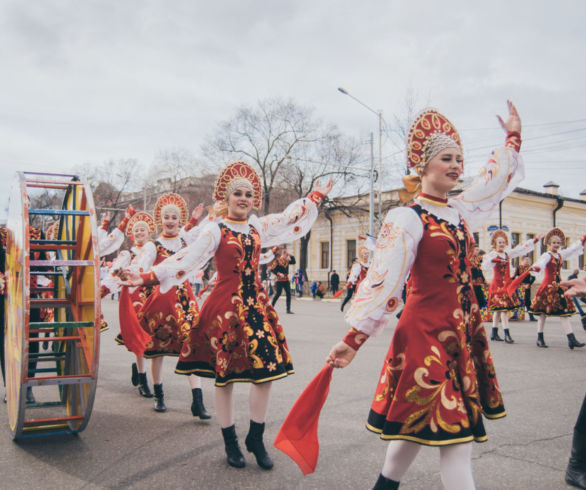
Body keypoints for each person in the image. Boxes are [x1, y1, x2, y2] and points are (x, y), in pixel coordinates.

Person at [326, 102, 524, 489]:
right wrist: (354, 339)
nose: (456, 165)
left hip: (461, 335)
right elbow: (385, 283)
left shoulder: (460, 211)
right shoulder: (407, 218)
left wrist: (512, 139)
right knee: (456, 439)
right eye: (446, 158)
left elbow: (493, 179)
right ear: (424, 166)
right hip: (424, 337)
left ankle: (383, 486)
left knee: (417, 426)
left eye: (459, 159)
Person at [125, 161, 332, 470]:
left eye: (249, 194)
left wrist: (314, 197)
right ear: (226, 197)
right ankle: (231, 441)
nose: (244, 198)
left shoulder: (257, 225)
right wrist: (147, 277)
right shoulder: (214, 228)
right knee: (227, 377)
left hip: (256, 307)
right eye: (238, 193)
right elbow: (188, 258)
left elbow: (288, 217)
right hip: (225, 309)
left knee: (266, 374)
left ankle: (256, 437)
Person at [136, 193, 211, 417]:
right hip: (162, 301)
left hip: (185, 300)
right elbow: (143, 270)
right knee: (157, 350)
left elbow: (204, 239)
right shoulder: (153, 246)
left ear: (179, 220)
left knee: (191, 345)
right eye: (166, 217)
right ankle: (159, 396)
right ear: (160, 220)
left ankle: (198, 401)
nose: (170, 221)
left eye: (174, 217)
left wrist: (200, 219)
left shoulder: (185, 241)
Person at [106, 211, 158, 398]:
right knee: (139, 336)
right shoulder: (127, 253)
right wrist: (119, 273)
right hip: (133, 295)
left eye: (142, 229)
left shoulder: (153, 248)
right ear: (132, 234)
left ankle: (139, 367)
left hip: (150, 293)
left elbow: (149, 266)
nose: (139, 232)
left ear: (149, 231)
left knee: (152, 337)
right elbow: (116, 271)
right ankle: (143, 379)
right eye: (136, 230)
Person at [528, 228, 586, 349]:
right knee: (543, 313)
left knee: (564, 313)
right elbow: (540, 264)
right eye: (554, 243)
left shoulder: (560, 255)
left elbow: (572, 249)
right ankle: (540, 338)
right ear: (549, 243)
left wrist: (583, 239)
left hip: (559, 287)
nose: (556, 245)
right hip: (547, 287)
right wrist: (536, 268)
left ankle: (571, 339)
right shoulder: (547, 255)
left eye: (558, 243)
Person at [482, 230, 539, 343]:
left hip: (506, 285)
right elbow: (485, 265)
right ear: (495, 244)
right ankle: (506, 333)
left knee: (499, 310)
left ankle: (494, 333)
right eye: (499, 242)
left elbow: (520, 249)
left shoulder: (507, 254)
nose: (502, 244)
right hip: (497, 286)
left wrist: (534, 240)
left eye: (503, 242)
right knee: (502, 310)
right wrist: (493, 260)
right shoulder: (492, 254)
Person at [340, 245, 370, 312]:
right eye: (364, 253)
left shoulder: (371, 264)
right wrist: (348, 284)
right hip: (361, 286)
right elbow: (353, 276)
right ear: (361, 255)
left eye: (367, 253)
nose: (366, 255)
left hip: (370, 285)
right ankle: (344, 306)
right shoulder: (358, 266)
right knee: (353, 298)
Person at [270, 247, 296, 314]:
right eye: (285, 255)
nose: (286, 257)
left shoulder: (287, 261)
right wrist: (278, 273)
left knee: (288, 293)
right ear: (282, 254)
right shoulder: (277, 261)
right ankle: (271, 307)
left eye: (287, 255)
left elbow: (293, 262)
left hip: (286, 280)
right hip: (279, 280)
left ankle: (288, 309)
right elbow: (272, 269)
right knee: (278, 294)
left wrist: (291, 255)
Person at [515, 256, 537, 321]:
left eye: (528, 260)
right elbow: (515, 276)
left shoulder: (530, 268)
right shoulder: (518, 268)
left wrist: (528, 284)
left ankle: (531, 317)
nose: (527, 261)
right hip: (520, 287)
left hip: (527, 287)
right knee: (519, 300)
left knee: (527, 301)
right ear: (522, 261)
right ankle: (517, 316)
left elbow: (533, 277)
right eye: (526, 260)